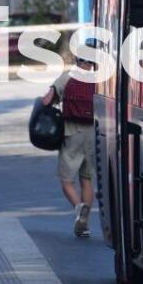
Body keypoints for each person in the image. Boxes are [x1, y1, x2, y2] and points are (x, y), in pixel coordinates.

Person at [42, 57, 97, 237]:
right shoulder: (98, 79)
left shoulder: (67, 77)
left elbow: (47, 101)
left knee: (66, 181)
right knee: (86, 179)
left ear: (76, 59)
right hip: (92, 134)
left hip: (72, 133)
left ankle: (79, 208)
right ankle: (84, 224)